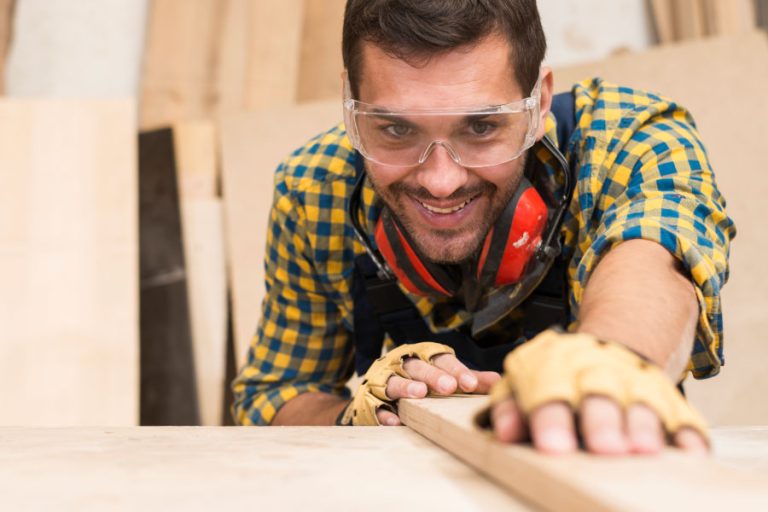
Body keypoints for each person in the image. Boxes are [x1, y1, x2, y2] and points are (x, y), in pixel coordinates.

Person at [233, 0, 735, 456]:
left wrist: (611, 360)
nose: (441, 181)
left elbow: (655, 260)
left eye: (481, 127)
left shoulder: (633, 140)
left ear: (539, 102)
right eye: (396, 130)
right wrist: (364, 414)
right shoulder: (314, 189)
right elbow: (272, 398)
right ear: (350, 102)